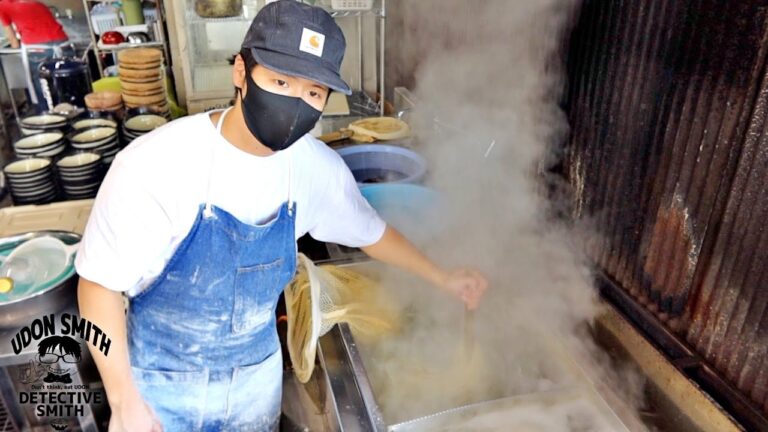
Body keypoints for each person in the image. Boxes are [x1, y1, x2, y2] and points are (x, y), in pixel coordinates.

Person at [76, 1, 488, 431]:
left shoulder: (315, 169)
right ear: (240, 72)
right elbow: (98, 286)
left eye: (313, 92)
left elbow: (371, 232)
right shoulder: (158, 165)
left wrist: (443, 278)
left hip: (256, 381)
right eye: (280, 81)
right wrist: (124, 403)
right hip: (162, 392)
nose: (295, 102)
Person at [0, 0, 73, 112]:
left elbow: (13, 40)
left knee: (43, 89)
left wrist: (16, 48)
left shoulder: (3, 5)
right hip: (63, 45)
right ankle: (74, 117)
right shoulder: (35, 2)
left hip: (39, 49)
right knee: (68, 85)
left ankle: (48, 120)